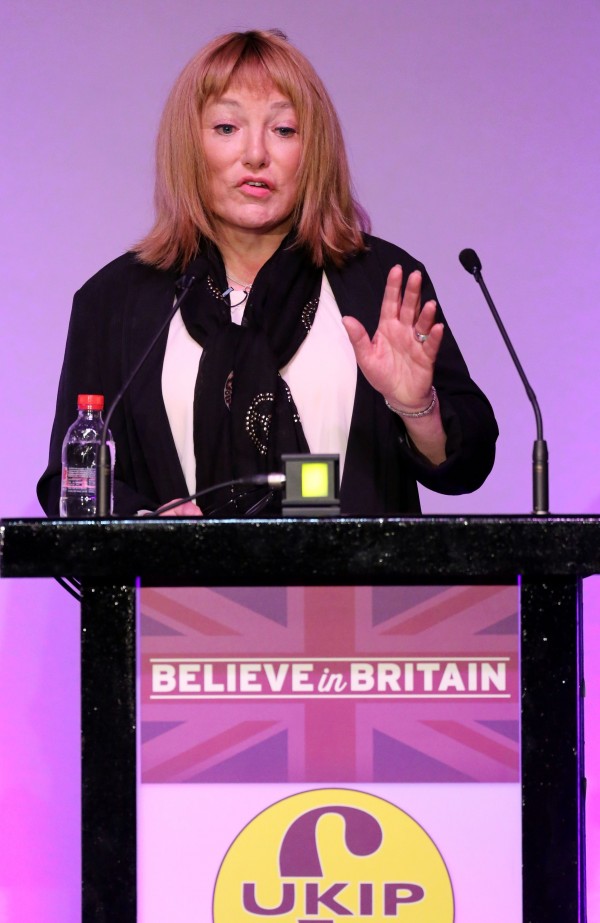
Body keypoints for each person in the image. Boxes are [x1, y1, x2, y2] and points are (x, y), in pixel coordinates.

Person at [37, 29, 498, 518]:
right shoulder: (115, 301)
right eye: (226, 128)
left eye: (283, 130)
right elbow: (71, 484)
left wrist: (416, 409)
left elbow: (469, 465)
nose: (256, 154)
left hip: (363, 592)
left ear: (314, 149)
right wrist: (147, 527)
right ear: (188, 145)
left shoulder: (382, 283)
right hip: (176, 593)